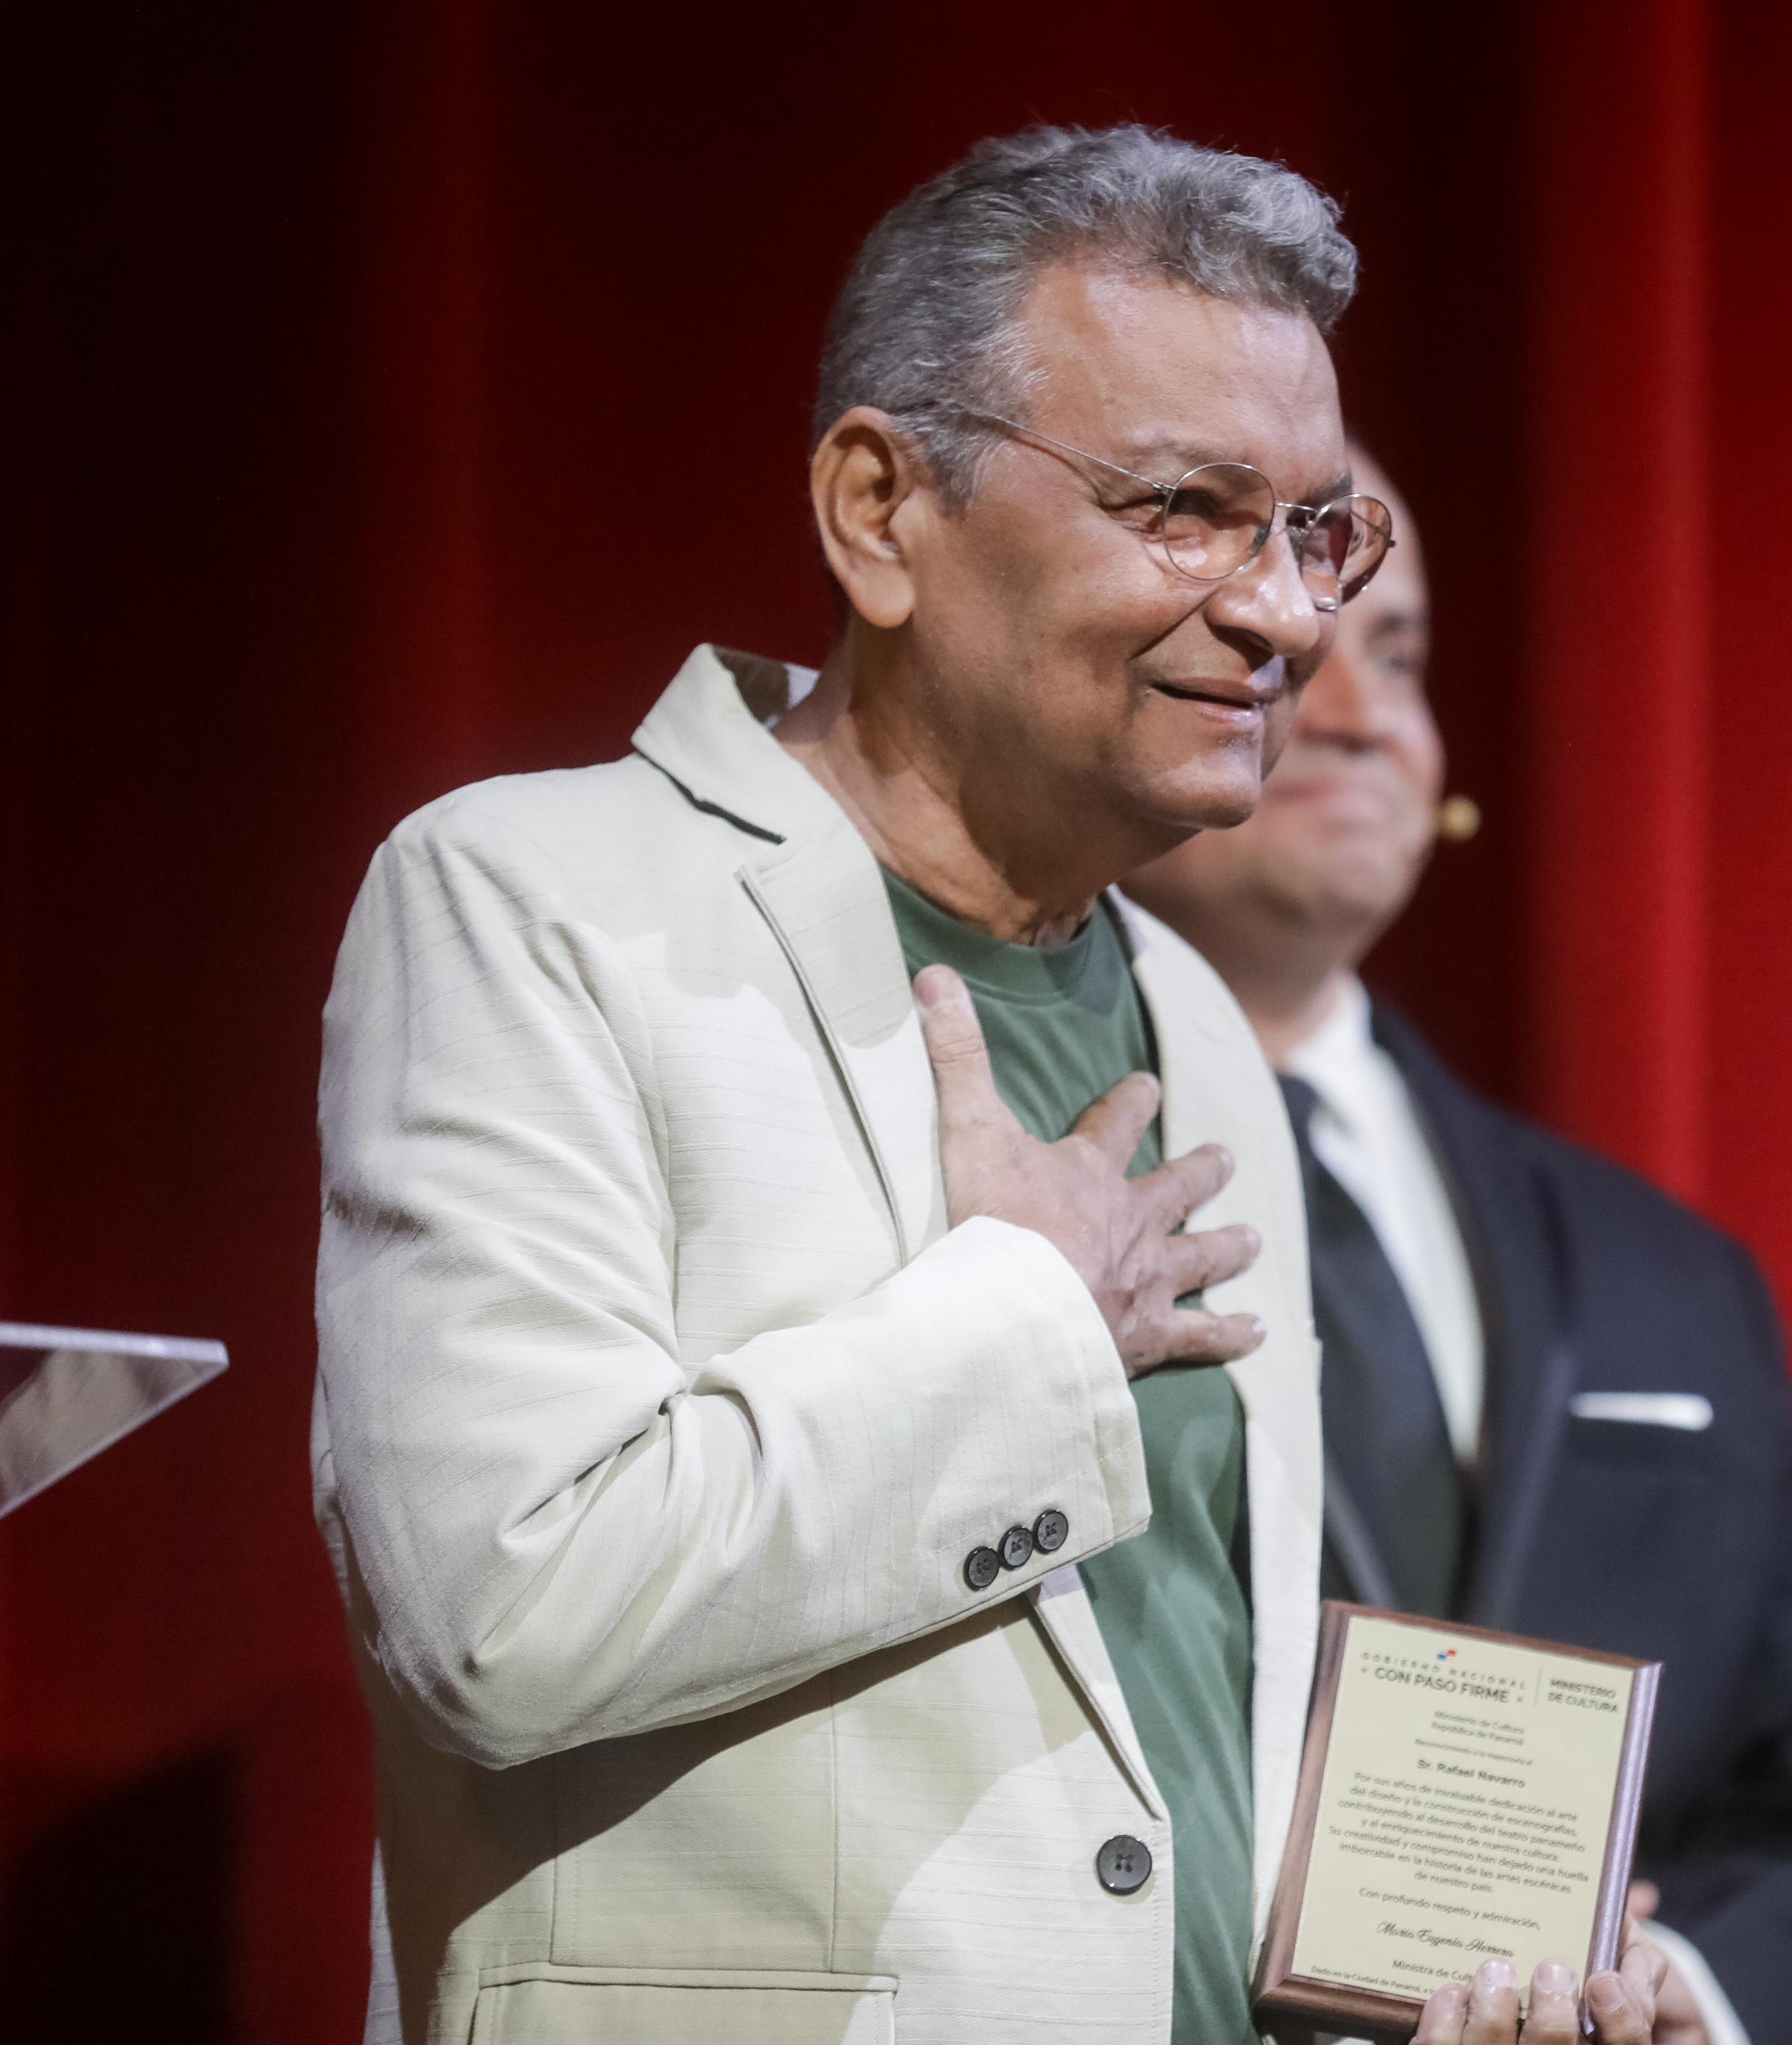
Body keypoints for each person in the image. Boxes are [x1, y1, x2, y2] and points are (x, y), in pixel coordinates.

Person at [312, 128, 1662, 2045]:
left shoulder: (1200, 1020)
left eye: (1315, 529)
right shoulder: (537, 899)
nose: (1284, 614)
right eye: (1189, 508)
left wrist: (1438, 1973)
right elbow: (502, 1608)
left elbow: (1165, 1726)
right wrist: (1024, 1320)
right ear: (881, 510)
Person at [1127, 451, 1792, 2045]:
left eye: (1407, 652)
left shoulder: (1667, 1274)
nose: (1362, 711)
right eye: (1292, 642)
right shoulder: (989, 1190)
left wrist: (1686, 1996)